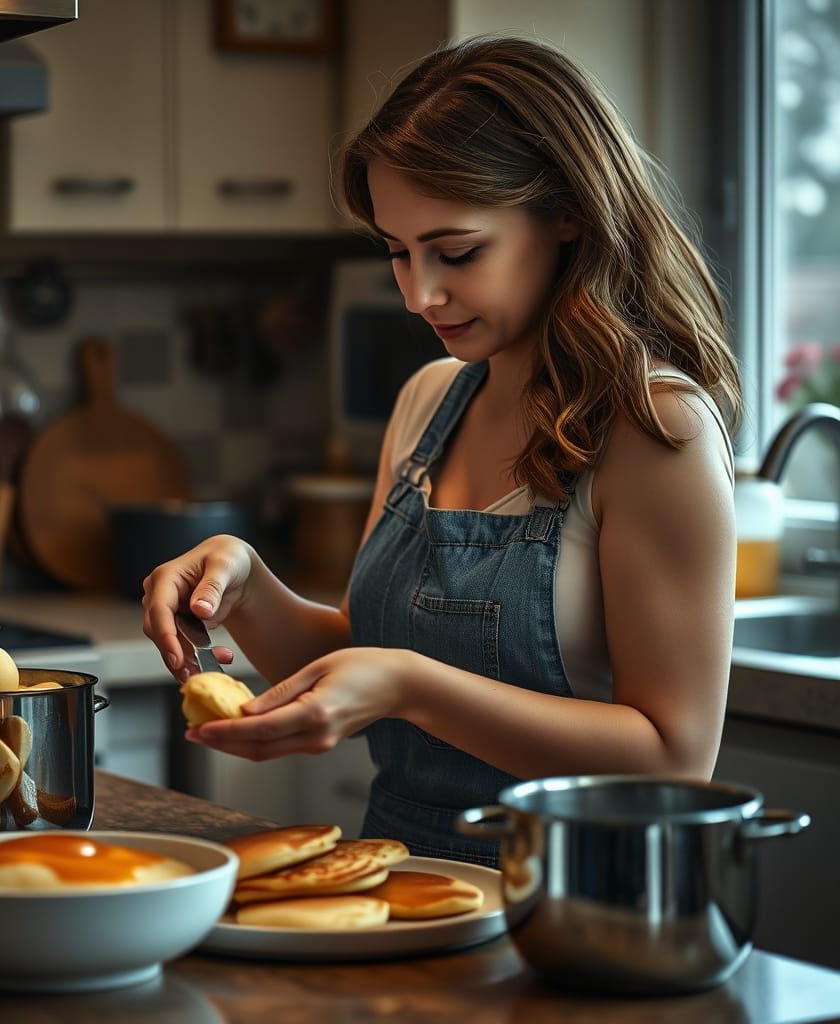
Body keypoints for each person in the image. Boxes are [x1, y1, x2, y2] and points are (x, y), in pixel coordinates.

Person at [142, 36, 741, 865]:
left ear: (567, 211)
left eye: (457, 252)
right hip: (400, 885)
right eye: (397, 251)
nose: (420, 293)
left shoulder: (652, 429)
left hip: (576, 914)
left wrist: (412, 689)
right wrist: (244, 584)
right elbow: (363, 653)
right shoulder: (431, 399)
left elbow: (673, 761)